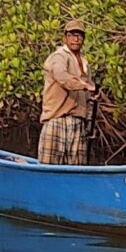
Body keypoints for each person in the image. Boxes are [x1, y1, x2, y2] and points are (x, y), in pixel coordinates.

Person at [38, 19, 97, 164]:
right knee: (48, 168)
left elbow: (89, 93)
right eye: (72, 34)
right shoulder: (58, 57)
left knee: (77, 170)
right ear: (65, 37)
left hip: (78, 121)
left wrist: (92, 95)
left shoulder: (84, 62)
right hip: (56, 120)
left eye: (79, 35)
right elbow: (62, 77)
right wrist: (85, 86)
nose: (76, 38)